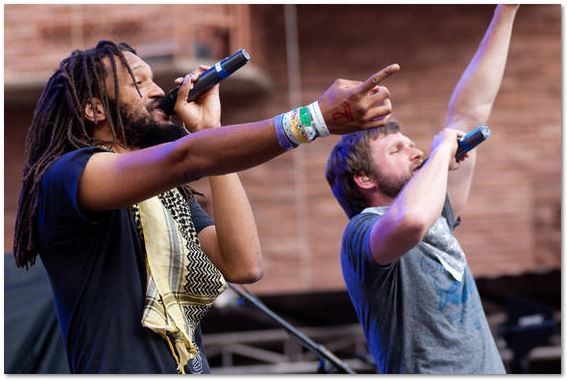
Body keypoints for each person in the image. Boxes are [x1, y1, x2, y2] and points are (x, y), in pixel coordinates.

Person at [13, 40, 399, 374]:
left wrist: (209, 134)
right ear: (95, 110)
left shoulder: (166, 196)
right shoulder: (67, 176)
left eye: (152, 79)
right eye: (137, 81)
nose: (156, 90)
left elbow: (244, 263)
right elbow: (185, 158)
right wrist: (314, 119)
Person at [325, 5, 519, 374]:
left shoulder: (437, 214)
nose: (416, 151)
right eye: (396, 150)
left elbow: (469, 114)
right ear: (365, 180)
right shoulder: (361, 232)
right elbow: (411, 220)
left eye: (413, 144)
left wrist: (506, 11)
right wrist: (441, 151)